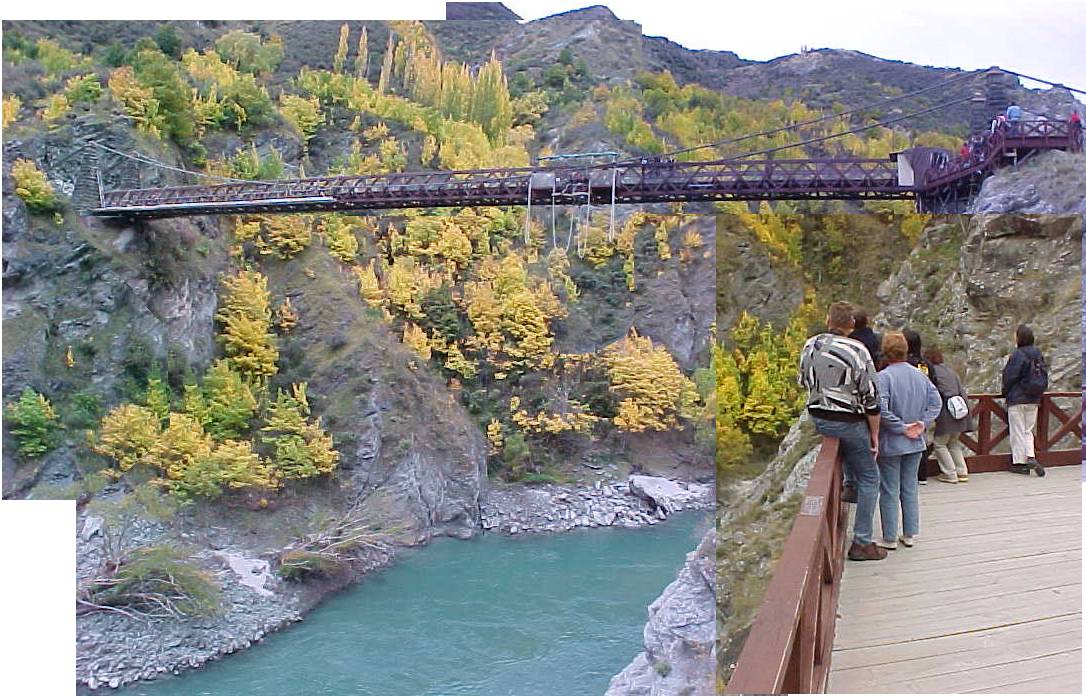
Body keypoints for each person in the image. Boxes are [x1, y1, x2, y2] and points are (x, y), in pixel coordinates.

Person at [799, 301, 884, 561]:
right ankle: (861, 542)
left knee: (847, 456)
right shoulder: (857, 349)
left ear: (828, 320)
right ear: (852, 325)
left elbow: (803, 381)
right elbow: (871, 397)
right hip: (848, 420)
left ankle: (848, 486)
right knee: (871, 477)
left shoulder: (809, 345)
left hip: (819, 417)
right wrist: (875, 435)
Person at [875, 333, 943, 550]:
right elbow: (936, 402)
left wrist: (899, 427)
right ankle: (910, 532)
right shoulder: (920, 376)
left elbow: (881, 409)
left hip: (892, 442)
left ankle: (889, 536)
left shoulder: (883, 377)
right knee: (910, 487)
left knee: (889, 489)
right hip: (916, 442)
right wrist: (922, 424)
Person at [1001, 324, 1047, 476]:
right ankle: (1031, 456)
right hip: (1034, 398)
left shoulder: (1018, 355)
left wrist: (1005, 392)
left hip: (1017, 398)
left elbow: (1010, 376)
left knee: (1017, 431)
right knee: (1028, 431)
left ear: (1019, 337)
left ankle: (1020, 463)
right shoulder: (1037, 353)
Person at [924, 348, 974, 483]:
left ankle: (950, 473)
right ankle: (962, 471)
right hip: (959, 411)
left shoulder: (933, 372)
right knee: (953, 443)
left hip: (946, 412)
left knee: (939, 443)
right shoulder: (950, 371)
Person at [902, 329, 933, 483]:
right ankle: (921, 474)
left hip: (906, 407)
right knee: (921, 440)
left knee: (905, 439)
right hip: (924, 409)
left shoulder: (905, 365)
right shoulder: (926, 364)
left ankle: (907, 475)